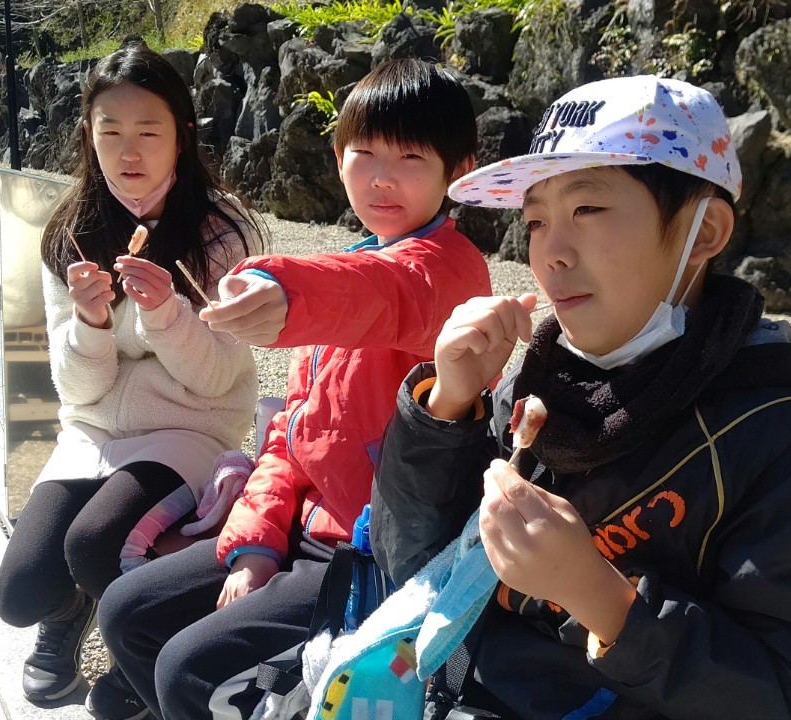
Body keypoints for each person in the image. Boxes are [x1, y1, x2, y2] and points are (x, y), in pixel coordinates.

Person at [371, 76, 791, 719]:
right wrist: (446, 408)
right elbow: (409, 566)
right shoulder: (536, 388)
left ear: (704, 232)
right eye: (536, 221)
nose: (551, 254)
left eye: (588, 209)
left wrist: (603, 600)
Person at [97, 58, 494, 720]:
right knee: (126, 611)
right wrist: (255, 542)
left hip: (371, 553)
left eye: (411, 158)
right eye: (364, 154)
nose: (382, 176)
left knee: (186, 670)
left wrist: (284, 289)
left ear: (459, 172)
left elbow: (387, 293)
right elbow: (289, 432)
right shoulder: (360, 257)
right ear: (338, 159)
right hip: (296, 527)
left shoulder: (452, 273)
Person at [0, 40, 263, 720]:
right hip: (93, 430)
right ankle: (72, 611)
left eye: (149, 131)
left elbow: (220, 376)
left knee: (94, 544)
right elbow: (76, 392)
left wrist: (167, 313)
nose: (129, 151)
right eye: (110, 131)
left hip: (188, 427)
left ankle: (140, 648)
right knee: (19, 594)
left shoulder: (224, 233)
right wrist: (89, 324)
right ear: (89, 135)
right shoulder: (71, 230)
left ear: (182, 135)